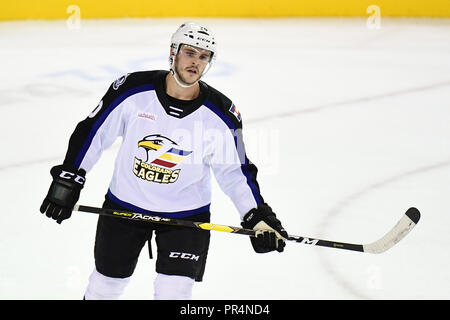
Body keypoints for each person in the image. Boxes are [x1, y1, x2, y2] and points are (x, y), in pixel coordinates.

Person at [39, 22, 288, 300]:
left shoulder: (221, 114)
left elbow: (235, 171)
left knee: (174, 293)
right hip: (124, 208)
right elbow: (93, 132)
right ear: (173, 52)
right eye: (190, 52)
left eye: (204, 56)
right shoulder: (132, 90)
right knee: (104, 288)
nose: (195, 62)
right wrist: (69, 179)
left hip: (186, 219)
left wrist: (257, 217)